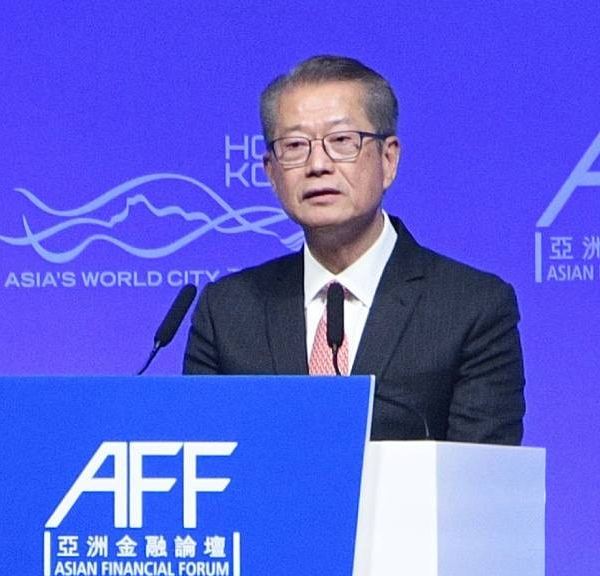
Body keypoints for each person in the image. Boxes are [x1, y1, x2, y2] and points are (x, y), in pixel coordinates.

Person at [183, 55, 525, 444]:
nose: (317, 165)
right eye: (294, 146)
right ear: (271, 173)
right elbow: (200, 458)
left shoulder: (470, 306)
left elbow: (480, 468)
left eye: (342, 141)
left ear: (388, 159)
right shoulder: (227, 311)